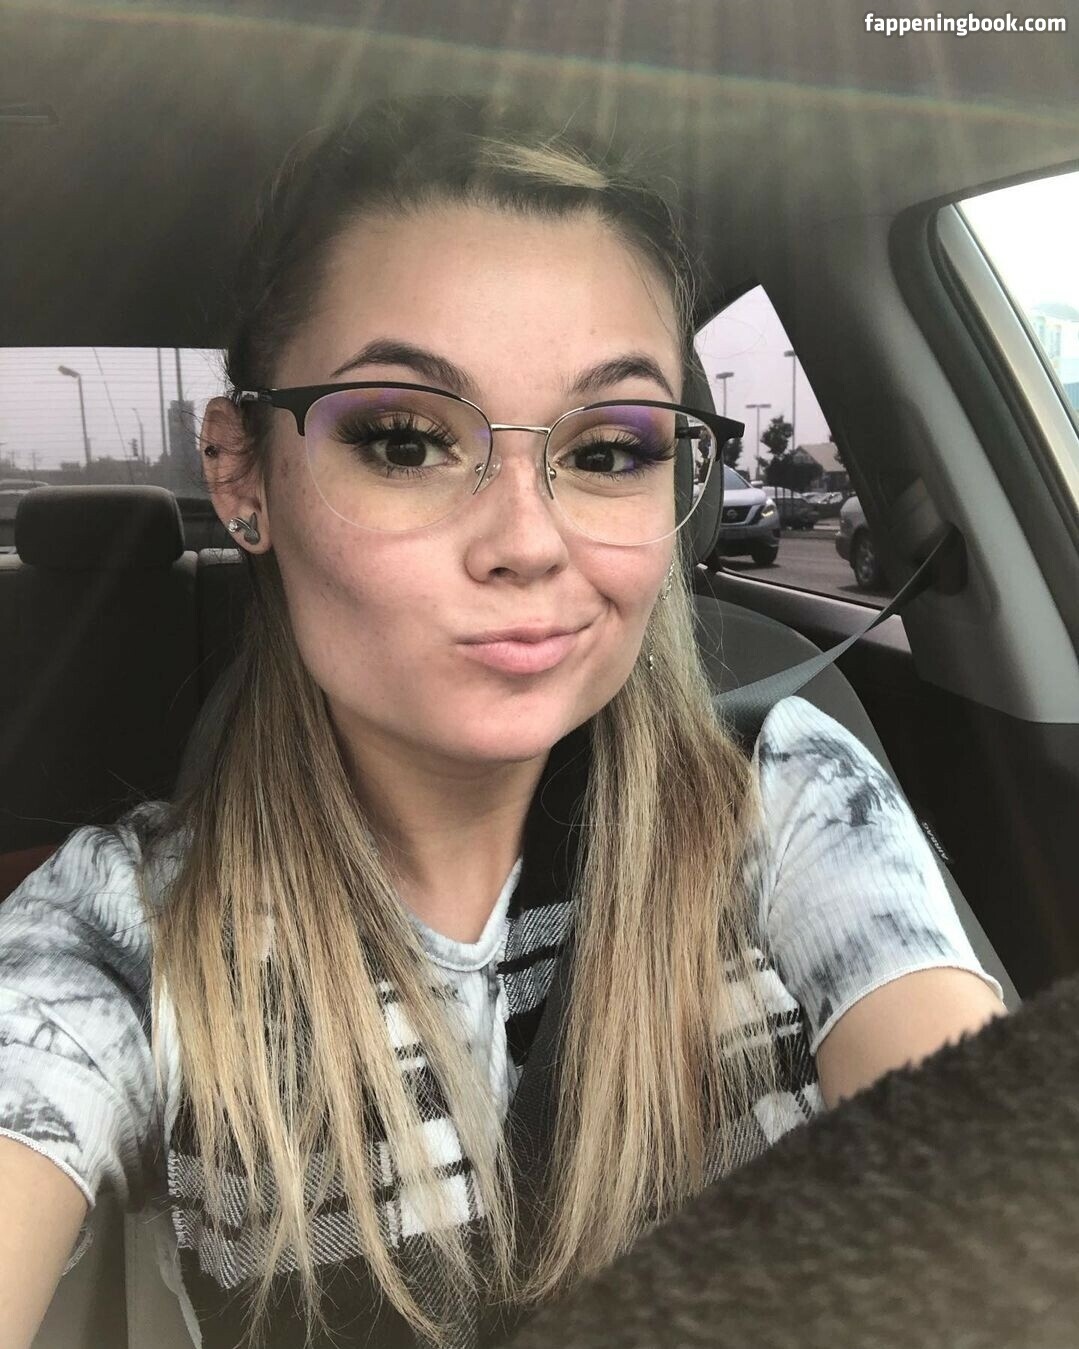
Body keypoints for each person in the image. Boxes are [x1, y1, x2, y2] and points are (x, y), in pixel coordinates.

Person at [0, 95, 1006, 1349]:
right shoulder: (126, 934)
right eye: (404, 440)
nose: (528, 540)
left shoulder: (788, 802)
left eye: (610, 448)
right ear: (241, 473)